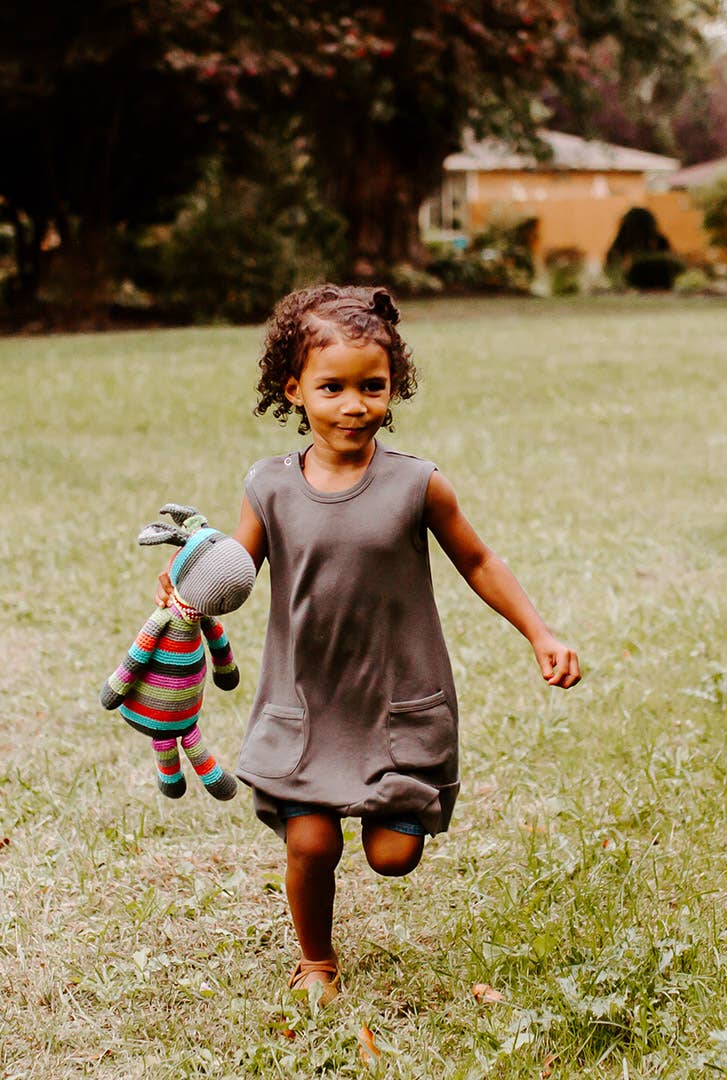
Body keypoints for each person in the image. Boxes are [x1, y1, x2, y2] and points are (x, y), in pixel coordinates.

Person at [157, 283, 580, 1005]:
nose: (354, 404)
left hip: (396, 702)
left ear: (394, 388)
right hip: (309, 701)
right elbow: (234, 571)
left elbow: (478, 561)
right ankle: (316, 961)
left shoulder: (418, 484)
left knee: (391, 857)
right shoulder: (269, 487)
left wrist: (539, 632)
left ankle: (392, 811)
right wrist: (185, 596)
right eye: (332, 387)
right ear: (294, 390)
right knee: (312, 844)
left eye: (372, 386)